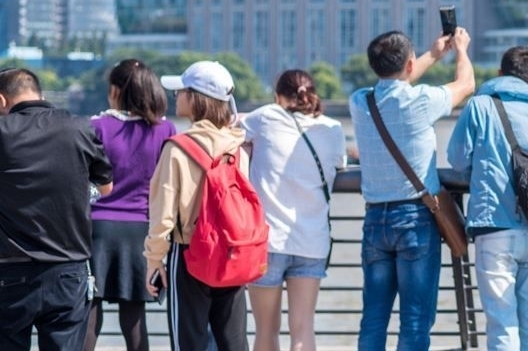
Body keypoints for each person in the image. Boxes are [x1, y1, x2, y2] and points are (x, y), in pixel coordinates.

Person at [349, 27, 476, 351]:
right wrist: (459, 49)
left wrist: (433, 54)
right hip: (416, 220)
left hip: (375, 220)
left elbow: (395, 78)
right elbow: (466, 85)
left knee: (373, 318)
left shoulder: (360, 101)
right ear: (408, 64)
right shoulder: (421, 101)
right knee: (416, 320)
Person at [447, 46, 528, 351]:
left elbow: (457, 159)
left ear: (500, 74)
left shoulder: (480, 107)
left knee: (502, 323)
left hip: (494, 227)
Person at [0, 67, 114, 351]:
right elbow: (106, 187)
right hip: (67, 268)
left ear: (2, 101)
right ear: (38, 93)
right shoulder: (79, 127)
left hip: (10, 271)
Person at [144, 61, 251, 351]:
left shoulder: (177, 148)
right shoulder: (237, 148)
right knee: (233, 341)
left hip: (190, 252)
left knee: (188, 341)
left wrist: (155, 261)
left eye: (182, 91)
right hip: (232, 251)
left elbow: (163, 213)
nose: (175, 96)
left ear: (196, 99)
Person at [241, 70, 346, 351]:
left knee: (265, 331)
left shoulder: (265, 117)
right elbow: (339, 162)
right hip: (312, 242)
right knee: (302, 332)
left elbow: (230, 130)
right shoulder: (333, 129)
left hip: (268, 242)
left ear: (278, 96)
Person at [87, 59, 177, 351]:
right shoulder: (166, 130)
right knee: (135, 317)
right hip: (141, 228)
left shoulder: (96, 126)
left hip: (96, 227)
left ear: (116, 90)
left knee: (89, 309)